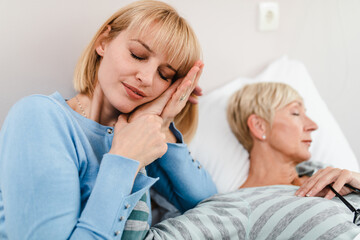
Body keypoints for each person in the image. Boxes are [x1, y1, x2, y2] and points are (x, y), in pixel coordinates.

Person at [0, 1, 217, 239]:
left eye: (164, 75)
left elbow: (208, 206)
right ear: (103, 42)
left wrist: (162, 123)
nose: (145, 78)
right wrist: (124, 160)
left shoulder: (137, 134)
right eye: (137, 55)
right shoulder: (39, 118)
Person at [143, 82, 360, 239]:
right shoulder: (236, 207)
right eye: (296, 113)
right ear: (259, 126)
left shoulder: (327, 173)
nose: (313, 125)